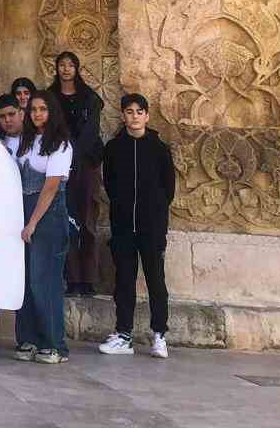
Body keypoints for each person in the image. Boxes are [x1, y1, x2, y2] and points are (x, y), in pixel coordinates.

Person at [100, 93, 175, 360]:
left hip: (151, 227)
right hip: (123, 227)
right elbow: (109, 182)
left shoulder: (159, 148)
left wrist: (154, 214)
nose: (134, 116)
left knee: (156, 279)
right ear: (123, 115)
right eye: (129, 111)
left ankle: (159, 334)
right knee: (124, 281)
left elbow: (168, 188)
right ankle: (123, 334)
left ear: (146, 115)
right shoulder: (113, 148)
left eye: (139, 111)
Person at [10, 90, 72, 364]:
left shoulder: (60, 145)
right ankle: (28, 338)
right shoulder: (23, 142)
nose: (37, 114)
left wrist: (32, 223)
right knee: (23, 281)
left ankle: (54, 344)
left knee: (43, 281)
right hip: (22, 215)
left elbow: (50, 187)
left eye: (43, 109)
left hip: (47, 217)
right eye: (33, 109)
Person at [50, 51, 104, 296]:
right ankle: (71, 277)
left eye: (71, 65)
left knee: (88, 220)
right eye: (62, 65)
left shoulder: (89, 97)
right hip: (60, 163)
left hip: (86, 163)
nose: (66, 69)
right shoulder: (50, 97)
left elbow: (91, 130)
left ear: (77, 68)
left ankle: (88, 279)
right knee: (67, 220)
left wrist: (77, 155)